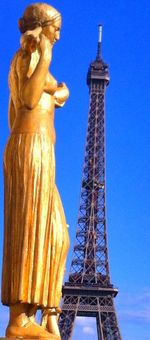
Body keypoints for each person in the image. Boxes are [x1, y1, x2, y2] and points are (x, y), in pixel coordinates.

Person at [1, 3, 70, 339]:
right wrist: (45, 57)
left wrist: (57, 93)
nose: (58, 34)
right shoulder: (29, 57)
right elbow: (27, 101)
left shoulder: (32, 61)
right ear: (42, 26)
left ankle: (49, 312)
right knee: (29, 230)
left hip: (39, 150)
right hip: (31, 148)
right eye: (55, 28)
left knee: (56, 235)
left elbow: (15, 111)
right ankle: (19, 319)